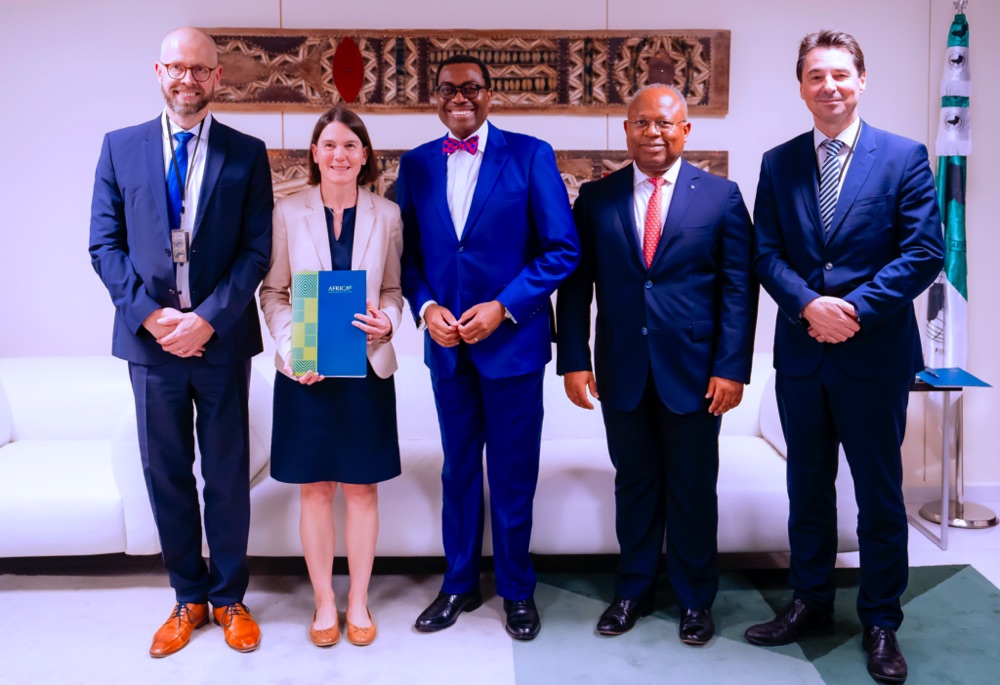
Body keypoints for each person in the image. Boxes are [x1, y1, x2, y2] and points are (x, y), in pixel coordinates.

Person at [744, 30, 944, 684]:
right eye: (816, 76)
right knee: (807, 487)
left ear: (861, 80)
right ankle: (810, 602)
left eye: (840, 74)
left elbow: (924, 251)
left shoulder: (904, 156)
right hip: (803, 354)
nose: (828, 86)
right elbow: (765, 253)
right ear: (801, 87)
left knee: (878, 493)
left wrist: (852, 309)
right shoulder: (778, 163)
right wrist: (808, 305)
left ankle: (881, 619)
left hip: (875, 353)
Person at [89, 27, 272, 656]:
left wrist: (208, 320)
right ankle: (187, 597)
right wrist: (151, 317)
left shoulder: (247, 153)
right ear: (159, 72)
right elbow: (104, 245)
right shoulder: (120, 148)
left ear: (217, 76)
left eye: (199, 69)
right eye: (176, 68)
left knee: (226, 474)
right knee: (165, 473)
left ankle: (230, 599)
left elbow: (256, 251)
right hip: (151, 345)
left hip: (221, 341)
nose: (187, 79)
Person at [556, 84, 757, 644]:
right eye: (642, 122)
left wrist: (732, 367)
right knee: (635, 484)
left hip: (697, 375)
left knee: (692, 488)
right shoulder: (596, 198)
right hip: (621, 369)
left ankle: (695, 601)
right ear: (626, 130)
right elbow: (575, 287)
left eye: (665, 123)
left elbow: (739, 290)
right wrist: (573, 359)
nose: (653, 132)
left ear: (685, 131)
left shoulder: (721, 196)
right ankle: (633, 591)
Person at [396, 54, 580, 641]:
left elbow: (562, 249)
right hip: (447, 347)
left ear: (490, 94)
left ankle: (517, 589)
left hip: (513, 346)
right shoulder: (415, 165)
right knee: (457, 471)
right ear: (435, 97)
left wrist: (503, 307)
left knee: (512, 472)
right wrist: (426, 308)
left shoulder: (531, 154)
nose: (460, 97)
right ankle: (458, 584)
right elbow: (407, 257)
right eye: (448, 88)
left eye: (471, 87)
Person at [259, 106, 403, 648]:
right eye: (329, 145)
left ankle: (358, 600)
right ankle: (324, 601)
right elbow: (274, 292)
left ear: (364, 156)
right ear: (315, 154)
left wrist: (389, 321)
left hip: (366, 370)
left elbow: (393, 289)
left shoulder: (387, 214)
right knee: (316, 489)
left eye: (350, 145)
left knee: (362, 489)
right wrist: (292, 348)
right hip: (306, 373)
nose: (339, 155)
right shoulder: (286, 213)